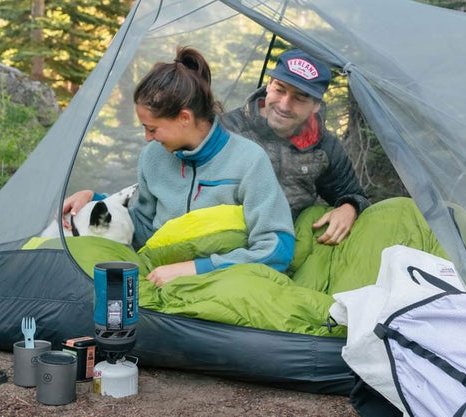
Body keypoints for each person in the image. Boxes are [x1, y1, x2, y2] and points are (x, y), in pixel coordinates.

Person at [62, 47, 294, 287]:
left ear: (184, 118)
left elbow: (276, 251)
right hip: (157, 278)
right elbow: (139, 228)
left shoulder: (249, 160)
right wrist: (94, 201)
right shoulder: (153, 156)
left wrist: (196, 269)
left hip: (224, 284)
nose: (148, 138)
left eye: (152, 129)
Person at [220, 49, 371, 245]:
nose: (284, 105)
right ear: (269, 85)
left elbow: (354, 195)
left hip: (285, 245)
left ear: (316, 105)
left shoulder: (324, 146)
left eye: (299, 98)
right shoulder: (227, 129)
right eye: (280, 89)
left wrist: (350, 207)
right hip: (221, 241)